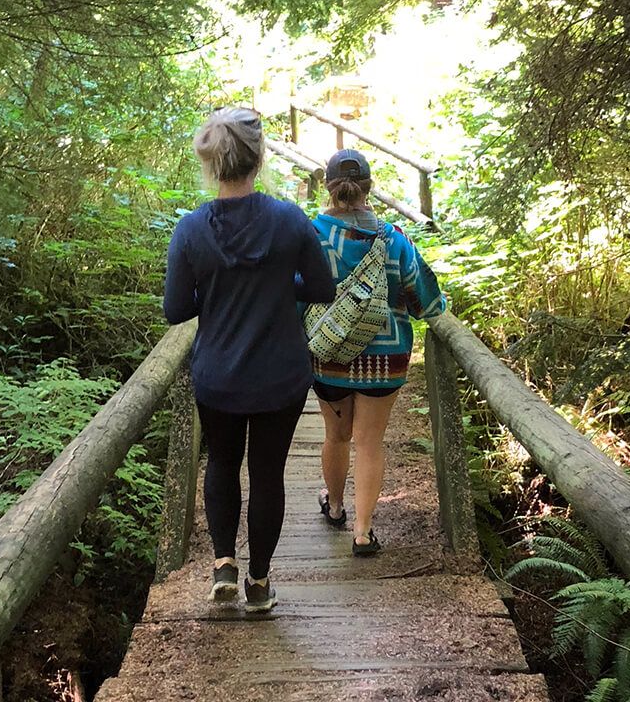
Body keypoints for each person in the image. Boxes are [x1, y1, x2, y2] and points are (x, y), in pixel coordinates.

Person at [163, 107, 335, 612]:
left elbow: (175, 309)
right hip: (280, 378)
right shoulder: (289, 221)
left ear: (215, 165)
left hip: (217, 377)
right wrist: (283, 283)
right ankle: (259, 582)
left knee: (220, 463)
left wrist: (214, 292)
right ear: (258, 159)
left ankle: (222, 564)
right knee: (267, 475)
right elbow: (322, 288)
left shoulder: (192, 230)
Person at [309, 149, 446, 556]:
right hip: (384, 361)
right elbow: (426, 300)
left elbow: (298, 294)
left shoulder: (314, 235)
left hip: (329, 356)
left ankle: (334, 508)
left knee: (336, 435)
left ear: (328, 188)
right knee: (370, 442)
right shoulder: (394, 238)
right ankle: (364, 532)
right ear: (369, 188)